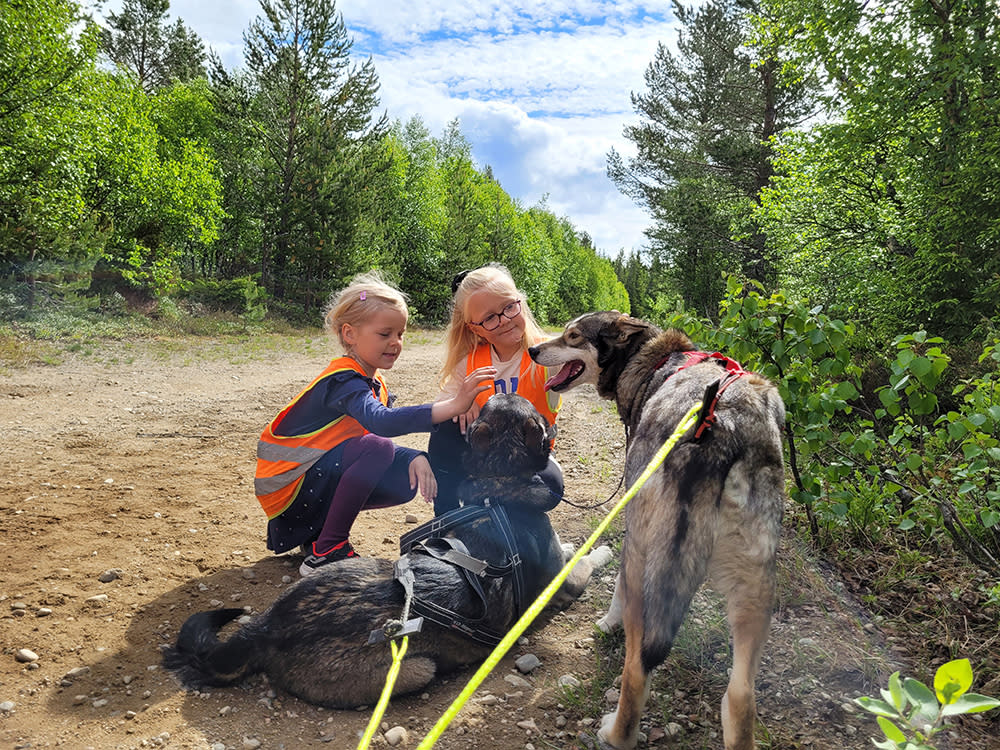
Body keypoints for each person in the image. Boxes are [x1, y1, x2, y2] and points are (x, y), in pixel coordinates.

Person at [255, 271, 496, 577]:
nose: (396, 342)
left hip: (302, 491)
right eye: (385, 334)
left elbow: (359, 442)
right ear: (349, 334)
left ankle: (318, 537)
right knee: (378, 450)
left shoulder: (372, 381)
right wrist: (453, 405)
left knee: (402, 478)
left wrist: (415, 456)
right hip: (288, 491)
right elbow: (379, 426)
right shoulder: (344, 379)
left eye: (401, 333)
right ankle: (328, 550)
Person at [428, 264, 564, 516]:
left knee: (552, 487)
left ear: (520, 302)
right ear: (475, 328)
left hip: (529, 463)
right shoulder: (469, 362)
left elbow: (589, 363)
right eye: (490, 318)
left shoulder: (548, 356)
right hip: (483, 461)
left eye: (510, 307)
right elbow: (441, 408)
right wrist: (462, 403)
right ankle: (447, 519)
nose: (505, 320)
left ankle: (502, 515)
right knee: (445, 427)